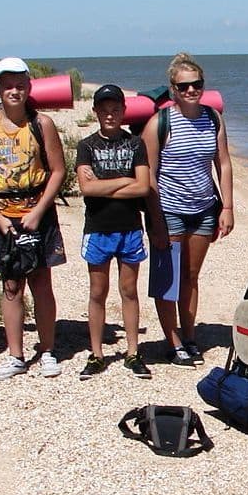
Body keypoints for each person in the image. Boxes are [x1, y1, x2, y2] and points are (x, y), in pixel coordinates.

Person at [0, 57, 67, 380]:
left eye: (20, 84)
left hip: (39, 213)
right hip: (3, 215)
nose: (14, 90)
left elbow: (58, 171)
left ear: (29, 87)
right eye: (7, 85)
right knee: (11, 285)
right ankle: (16, 354)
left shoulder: (42, 124)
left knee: (41, 281)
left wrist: (38, 211)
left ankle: (48, 349)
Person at [142, 52, 233, 366]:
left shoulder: (213, 118)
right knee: (169, 277)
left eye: (196, 84)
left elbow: (223, 163)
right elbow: (148, 176)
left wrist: (228, 207)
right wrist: (155, 219)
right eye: (184, 87)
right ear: (172, 90)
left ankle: (190, 336)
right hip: (168, 211)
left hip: (205, 209)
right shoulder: (159, 123)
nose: (191, 91)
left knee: (191, 277)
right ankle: (173, 341)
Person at [75, 84, 152, 380]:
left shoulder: (135, 144)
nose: (110, 115)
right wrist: (124, 180)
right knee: (98, 291)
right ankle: (96, 354)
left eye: (115, 109)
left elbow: (143, 187)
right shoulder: (86, 145)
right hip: (98, 228)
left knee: (129, 290)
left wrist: (104, 186)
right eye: (104, 110)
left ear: (123, 111)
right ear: (95, 112)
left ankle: (133, 352)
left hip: (129, 227)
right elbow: (86, 188)